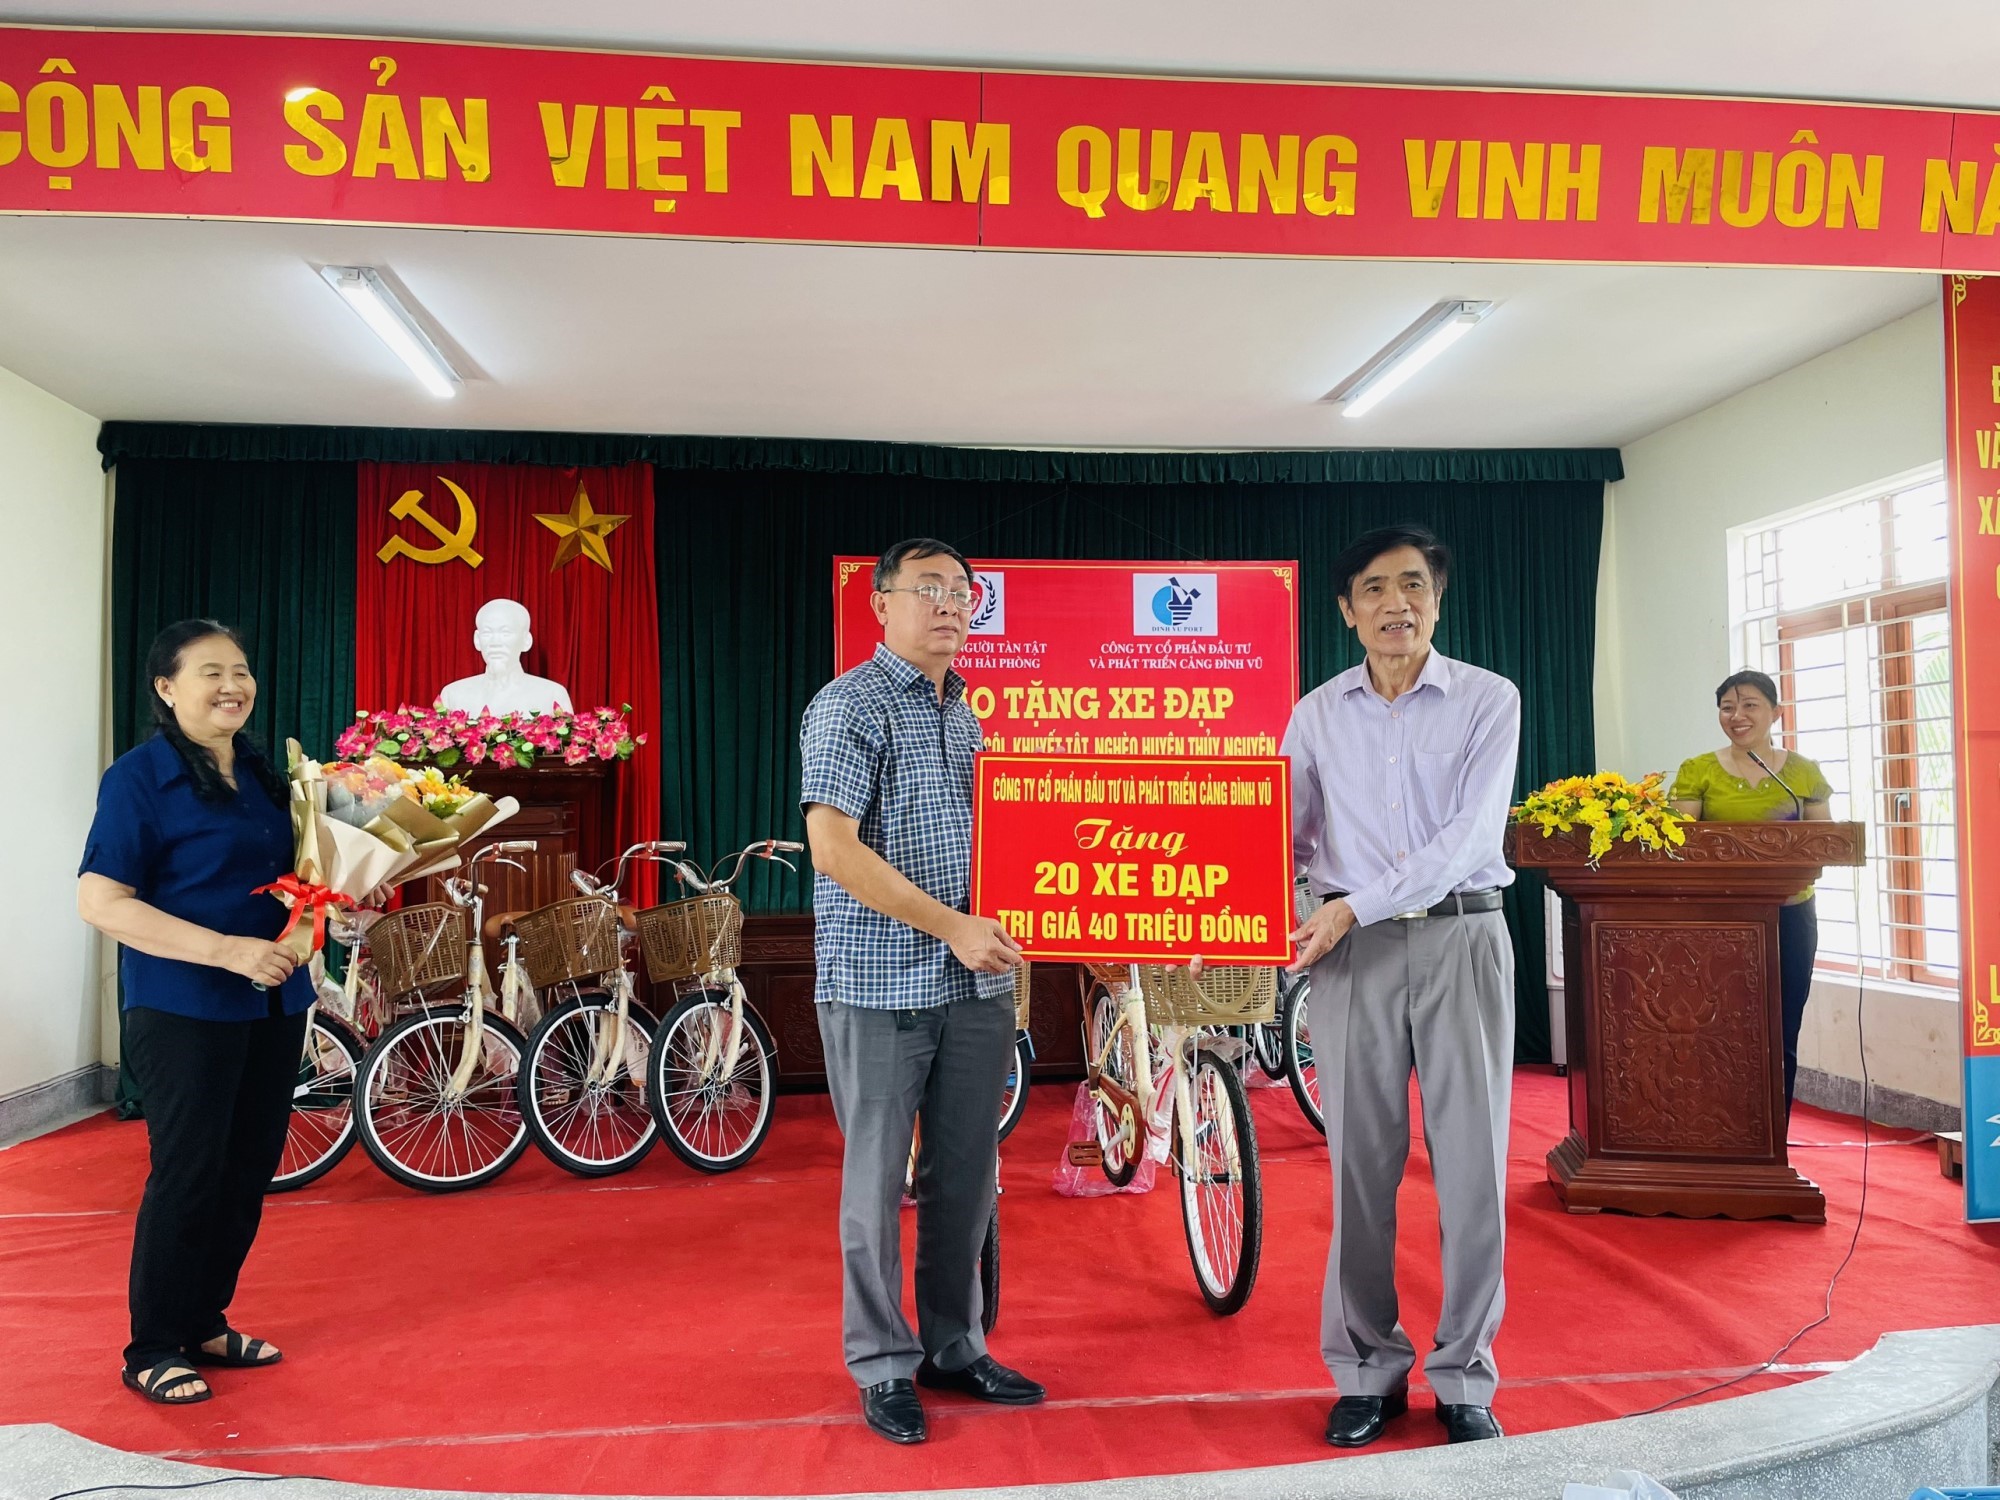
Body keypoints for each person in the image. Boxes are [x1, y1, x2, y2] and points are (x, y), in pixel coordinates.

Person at [1282, 524, 1521, 1449]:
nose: (1397, 604)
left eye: (1414, 585)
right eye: (1376, 589)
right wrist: (1228, 913)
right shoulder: (1316, 714)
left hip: (1462, 937)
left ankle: (1464, 1376)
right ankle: (1366, 1372)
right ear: (1347, 611)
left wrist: (1351, 907)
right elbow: (1289, 836)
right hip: (1353, 958)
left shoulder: (1488, 700)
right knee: (1358, 1166)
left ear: (1438, 599)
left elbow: (1471, 839)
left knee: (1472, 1169)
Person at [800, 537, 1041, 1445]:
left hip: (974, 985)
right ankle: (881, 1363)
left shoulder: (966, 714)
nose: (950, 605)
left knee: (967, 1175)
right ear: (881, 604)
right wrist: (952, 927)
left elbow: (999, 849)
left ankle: (953, 1344)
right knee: (874, 1185)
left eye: (963, 592)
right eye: (929, 588)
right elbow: (833, 848)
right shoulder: (848, 704)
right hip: (877, 983)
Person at [76, 621, 312, 1405]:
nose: (231, 685)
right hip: (183, 1004)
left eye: (240, 670)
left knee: (248, 1168)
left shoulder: (267, 774)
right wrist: (225, 951)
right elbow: (101, 901)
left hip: (273, 1000)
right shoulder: (139, 778)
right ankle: (151, 1345)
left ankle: (205, 1320)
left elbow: (304, 880)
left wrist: (325, 911)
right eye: (210, 671)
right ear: (166, 687)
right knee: (189, 1172)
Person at [1669, 670, 1833, 1114]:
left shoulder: (1802, 772)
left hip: (1791, 915)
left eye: (1749, 705)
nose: (1737, 716)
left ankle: (1774, 1132)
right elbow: (1679, 843)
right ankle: (1720, 1126)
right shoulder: (1698, 770)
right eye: (1727, 707)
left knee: (1782, 1026)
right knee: (1718, 1028)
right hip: (1718, 919)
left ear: (1776, 712)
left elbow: (1824, 843)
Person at [436, 598, 573, 714]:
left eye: (505, 633)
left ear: (526, 641)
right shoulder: (453, 695)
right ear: (477, 640)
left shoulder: (552, 695)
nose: (495, 642)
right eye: (487, 633)